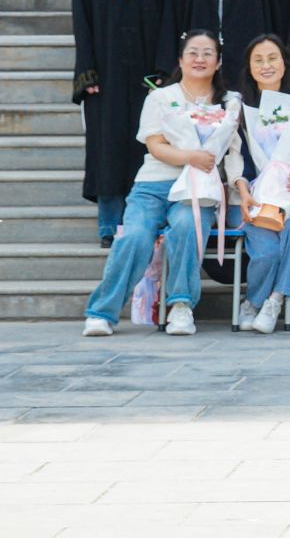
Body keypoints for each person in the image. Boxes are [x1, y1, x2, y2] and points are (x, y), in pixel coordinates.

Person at [81, 30, 233, 337]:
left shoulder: (229, 103)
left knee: (187, 227)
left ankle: (181, 306)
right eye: (192, 53)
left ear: (218, 62)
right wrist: (190, 156)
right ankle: (102, 313)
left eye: (207, 53)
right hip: (153, 185)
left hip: (197, 187)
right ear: (180, 60)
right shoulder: (160, 97)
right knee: (135, 236)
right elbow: (155, 145)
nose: (200, 59)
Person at [72, 0, 171, 245]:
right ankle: (110, 225)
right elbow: (82, 28)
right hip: (106, 76)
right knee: (108, 147)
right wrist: (87, 73)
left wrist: (163, 71)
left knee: (146, 146)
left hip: (147, 77)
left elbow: (168, 26)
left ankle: (143, 221)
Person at [231, 34, 290, 334]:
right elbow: (234, 157)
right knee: (267, 251)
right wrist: (243, 190)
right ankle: (253, 301)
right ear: (249, 67)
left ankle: (275, 300)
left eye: (272, 58)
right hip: (255, 197)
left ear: (284, 63)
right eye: (258, 60)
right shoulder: (238, 109)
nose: (266, 65)